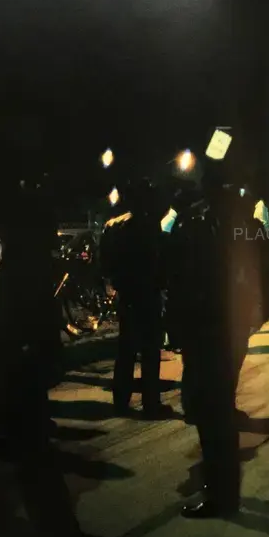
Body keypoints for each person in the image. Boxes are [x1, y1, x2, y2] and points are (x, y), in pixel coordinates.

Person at [167, 161, 269, 519]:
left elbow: (173, 279)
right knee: (216, 408)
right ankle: (222, 490)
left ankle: (221, 494)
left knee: (210, 411)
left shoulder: (196, 224)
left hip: (207, 330)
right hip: (219, 329)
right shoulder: (245, 226)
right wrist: (255, 317)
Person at [100, 177, 170, 418]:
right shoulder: (149, 225)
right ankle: (151, 403)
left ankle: (121, 401)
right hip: (147, 294)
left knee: (125, 350)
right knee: (150, 351)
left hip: (126, 294)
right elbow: (158, 262)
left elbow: (105, 263)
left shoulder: (113, 226)